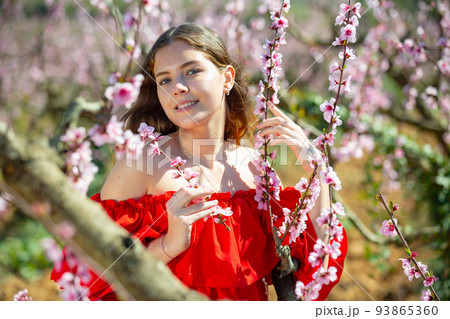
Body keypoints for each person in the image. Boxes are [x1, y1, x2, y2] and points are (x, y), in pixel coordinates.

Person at [51, 23, 347, 301]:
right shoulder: (141, 161)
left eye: (191, 71)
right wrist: (167, 247)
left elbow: (315, 269)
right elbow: (93, 272)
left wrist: (316, 170)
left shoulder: (257, 170)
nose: (176, 87)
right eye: (164, 79)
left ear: (227, 78)